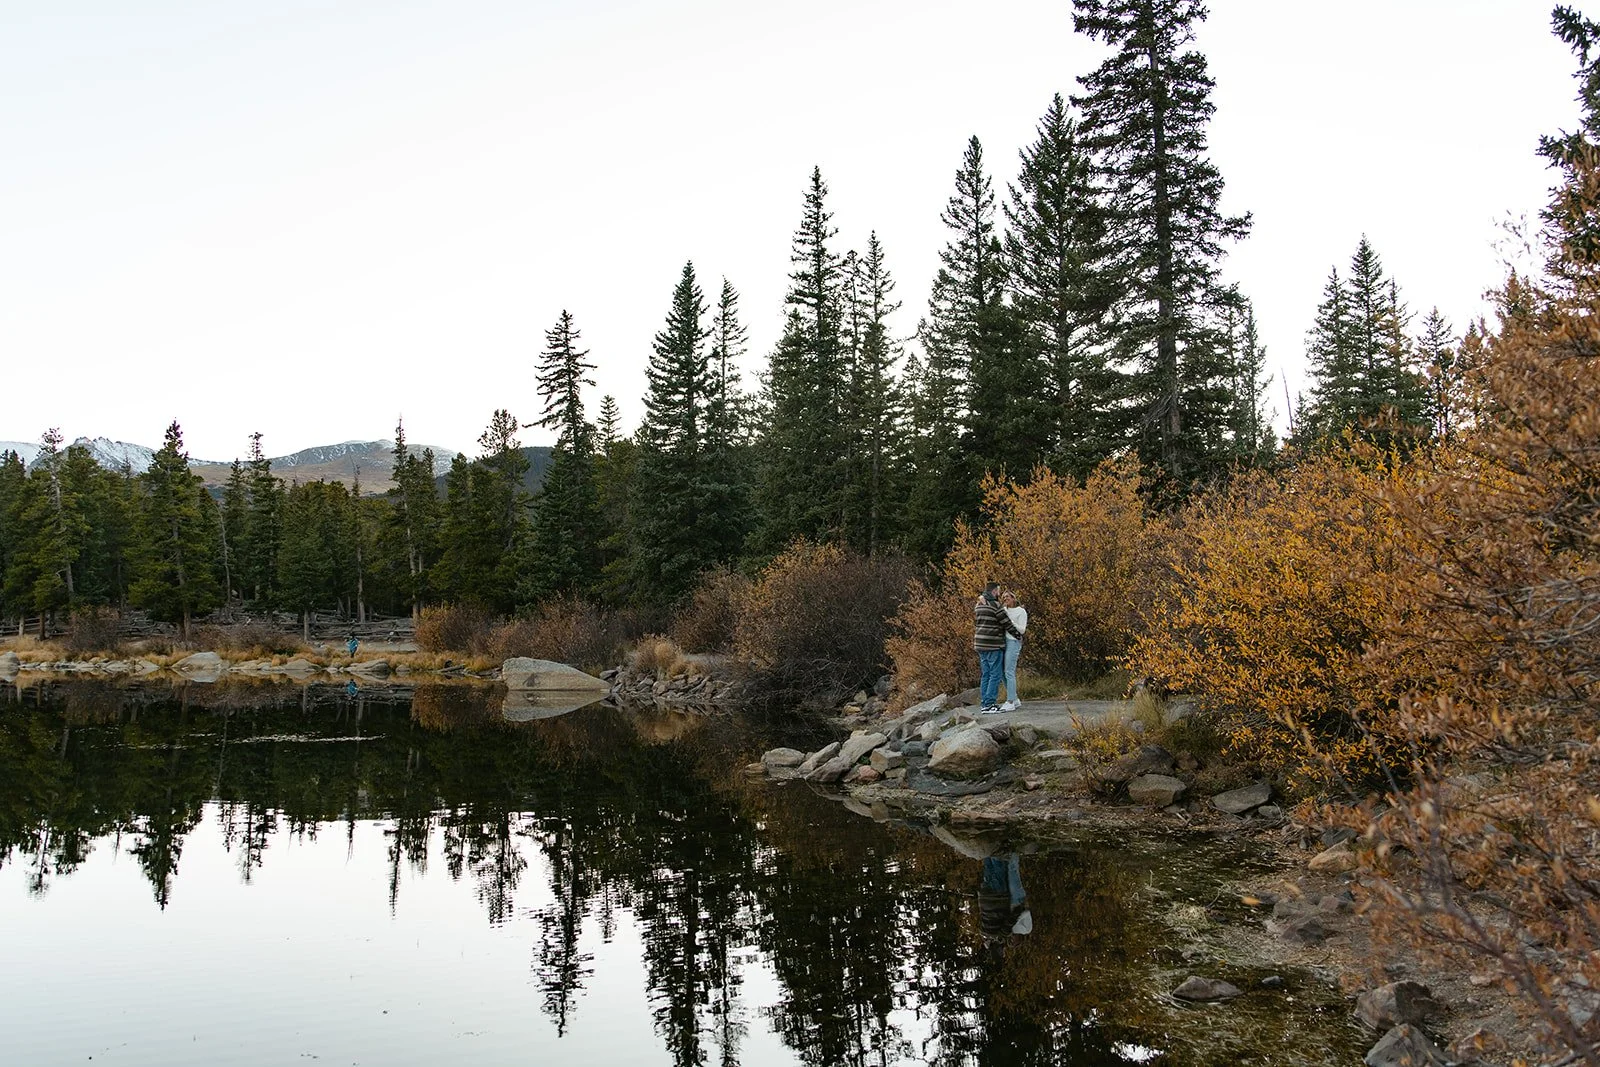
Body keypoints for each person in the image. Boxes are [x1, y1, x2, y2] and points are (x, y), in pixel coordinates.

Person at [973, 581, 1021, 714]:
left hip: (980, 644)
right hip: (992, 644)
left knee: (986, 675)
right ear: (994, 591)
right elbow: (1006, 623)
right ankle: (989, 704)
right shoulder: (995, 605)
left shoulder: (979, 605)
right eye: (998, 591)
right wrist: (1017, 635)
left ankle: (984, 704)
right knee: (996, 674)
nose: (999, 594)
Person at [1000, 590, 1028, 712]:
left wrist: (1010, 622)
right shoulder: (1003, 610)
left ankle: (1010, 701)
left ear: (1013, 598)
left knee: (1009, 671)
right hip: (1003, 642)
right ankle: (1015, 699)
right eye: (1003, 597)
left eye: (1007, 597)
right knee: (1002, 672)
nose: (1005, 598)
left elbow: (1022, 630)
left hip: (1013, 641)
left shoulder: (1021, 611)